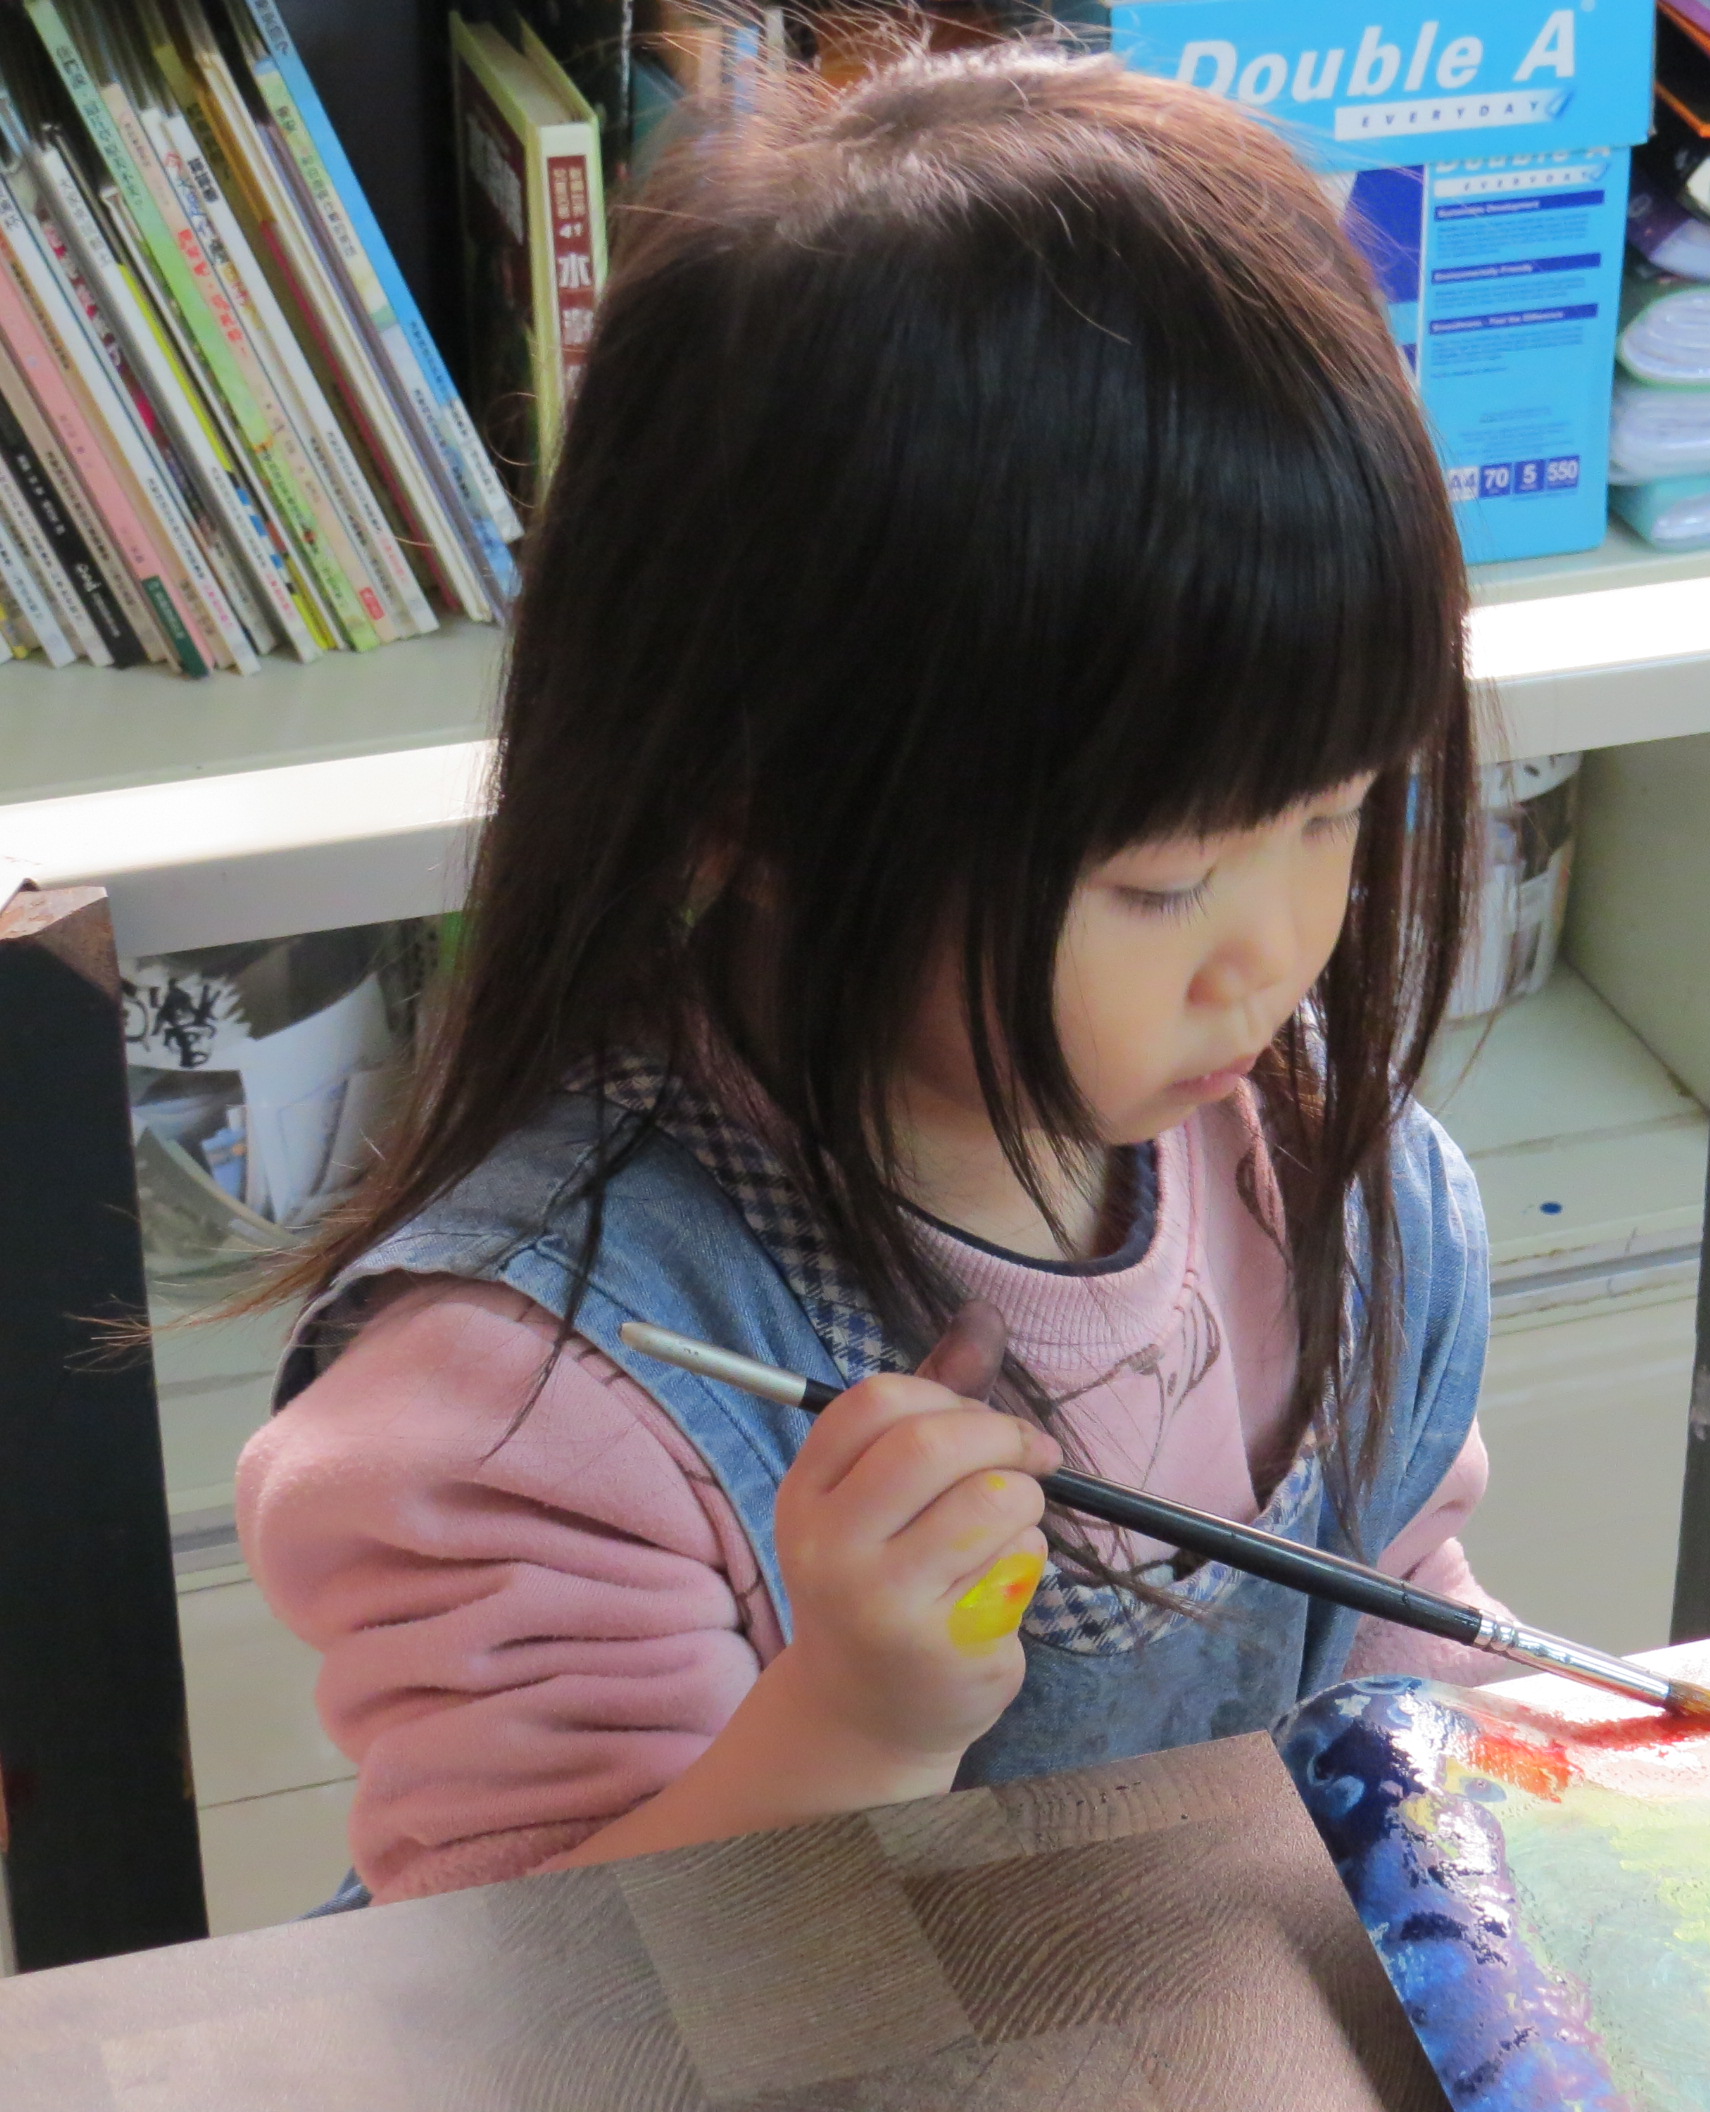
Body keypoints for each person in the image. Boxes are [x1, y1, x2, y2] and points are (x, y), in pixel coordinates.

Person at [234, 37, 1503, 1906]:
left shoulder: (1343, 1193)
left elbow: (1402, 1637)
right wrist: (856, 1721)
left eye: (1336, 812)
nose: (1273, 955)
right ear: (752, 806)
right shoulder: (538, 1391)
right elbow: (515, 1987)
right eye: (1160, 883)